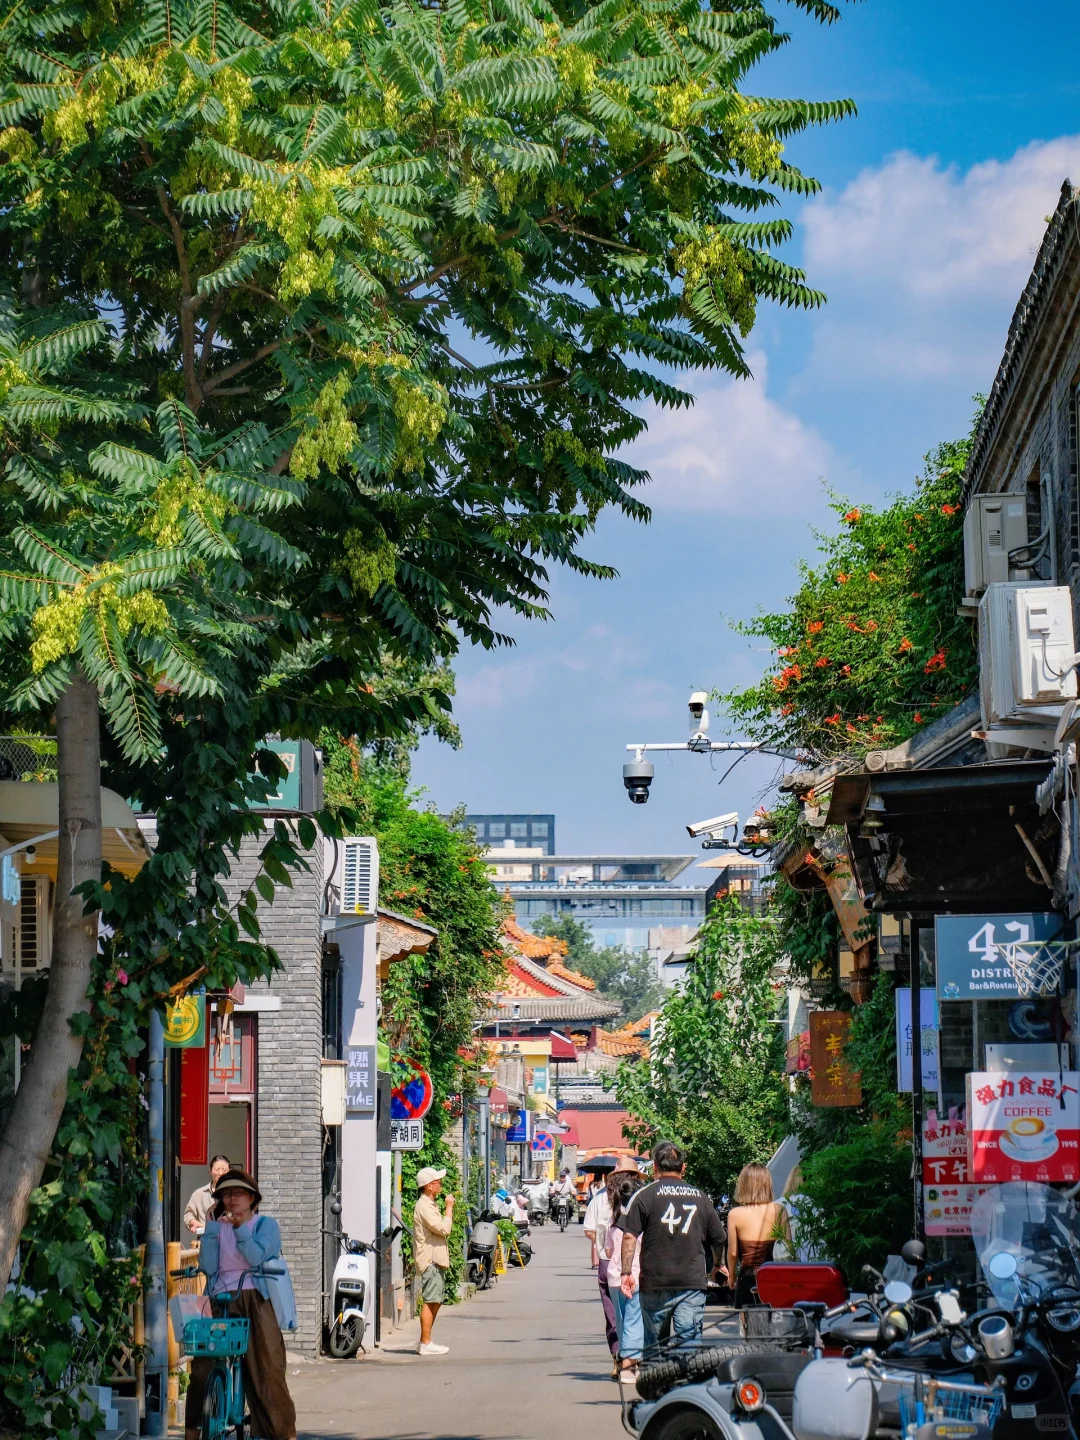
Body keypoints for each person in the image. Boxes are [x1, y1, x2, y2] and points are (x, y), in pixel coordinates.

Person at [185, 1169, 297, 1440]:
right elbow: (209, 1266)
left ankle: (283, 1434)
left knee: (268, 1369)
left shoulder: (265, 1226)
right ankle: (192, 1431)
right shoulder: (217, 1227)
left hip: (255, 1302)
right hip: (219, 1301)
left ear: (251, 1197)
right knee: (201, 1368)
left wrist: (238, 1229)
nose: (231, 1199)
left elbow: (257, 1256)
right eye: (225, 1194)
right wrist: (212, 1229)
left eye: (237, 1193)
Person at [620, 1140, 726, 1355]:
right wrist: (718, 1265)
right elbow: (718, 1237)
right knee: (689, 1347)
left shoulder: (644, 1196)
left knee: (655, 1347)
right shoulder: (700, 1197)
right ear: (683, 1168)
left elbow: (629, 1236)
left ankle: (657, 1385)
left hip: (655, 1283)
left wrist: (626, 1272)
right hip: (691, 1283)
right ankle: (685, 1386)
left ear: (655, 1168)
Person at [584, 1158, 639, 1377]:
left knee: (614, 1315)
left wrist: (606, 1245)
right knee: (633, 1314)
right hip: (632, 1263)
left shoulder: (599, 1199)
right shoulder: (640, 1197)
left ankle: (620, 1358)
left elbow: (589, 1230)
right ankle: (629, 1359)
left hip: (609, 1263)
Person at [727, 1162, 792, 1306]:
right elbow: (789, 1246)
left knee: (748, 1323)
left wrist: (731, 1276)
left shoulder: (735, 1214)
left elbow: (732, 1253)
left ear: (743, 1185)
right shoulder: (779, 1209)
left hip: (748, 1276)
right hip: (774, 1275)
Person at [606, 1172, 646, 1379]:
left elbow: (608, 1251)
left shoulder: (614, 1219)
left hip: (614, 1275)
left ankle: (624, 1362)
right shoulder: (642, 1219)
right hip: (636, 1274)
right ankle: (630, 1369)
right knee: (635, 1320)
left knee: (621, 1322)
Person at [413, 1165, 455, 1356]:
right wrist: (449, 1209)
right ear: (429, 1186)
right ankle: (426, 1343)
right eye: (437, 1182)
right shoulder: (424, 1206)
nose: (440, 1184)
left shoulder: (429, 1204)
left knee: (435, 1300)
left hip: (435, 1258)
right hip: (430, 1259)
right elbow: (443, 1229)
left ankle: (425, 1341)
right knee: (431, 1301)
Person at [183, 1154, 231, 1237]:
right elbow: (188, 1214)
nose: (220, 1173)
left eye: (224, 1170)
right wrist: (193, 1222)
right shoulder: (199, 1194)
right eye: (217, 1169)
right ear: (210, 1171)